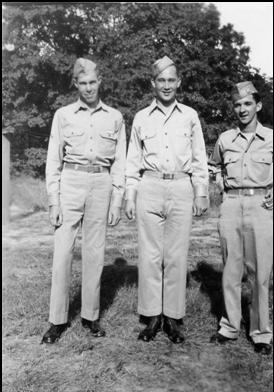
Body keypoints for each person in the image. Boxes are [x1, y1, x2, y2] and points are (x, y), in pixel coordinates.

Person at [42, 58, 126, 344]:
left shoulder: (114, 117)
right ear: (75, 84)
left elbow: (120, 162)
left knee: (95, 253)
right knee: (62, 253)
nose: (88, 88)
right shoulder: (63, 115)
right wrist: (53, 200)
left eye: (92, 82)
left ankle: (90, 316)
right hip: (71, 182)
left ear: (100, 81)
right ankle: (57, 320)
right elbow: (53, 159)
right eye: (83, 83)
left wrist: (117, 200)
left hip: (101, 183)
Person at [125, 56, 209, 343]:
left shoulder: (190, 115)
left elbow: (199, 158)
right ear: (153, 83)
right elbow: (132, 160)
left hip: (181, 187)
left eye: (171, 80)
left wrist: (201, 192)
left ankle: (172, 318)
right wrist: (129, 194)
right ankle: (151, 318)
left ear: (179, 82)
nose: (166, 85)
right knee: (150, 256)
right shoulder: (140, 117)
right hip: (150, 186)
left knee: (175, 255)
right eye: (161, 80)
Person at [210, 81, 273, 355]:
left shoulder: (271, 138)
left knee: (260, 273)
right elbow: (212, 166)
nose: (242, 109)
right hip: (232, 205)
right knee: (231, 270)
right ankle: (229, 326)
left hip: (261, 206)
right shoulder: (225, 139)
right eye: (237, 104)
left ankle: (261, 333)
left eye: (247, 104)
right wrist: (220, 184)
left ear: (258, 105)